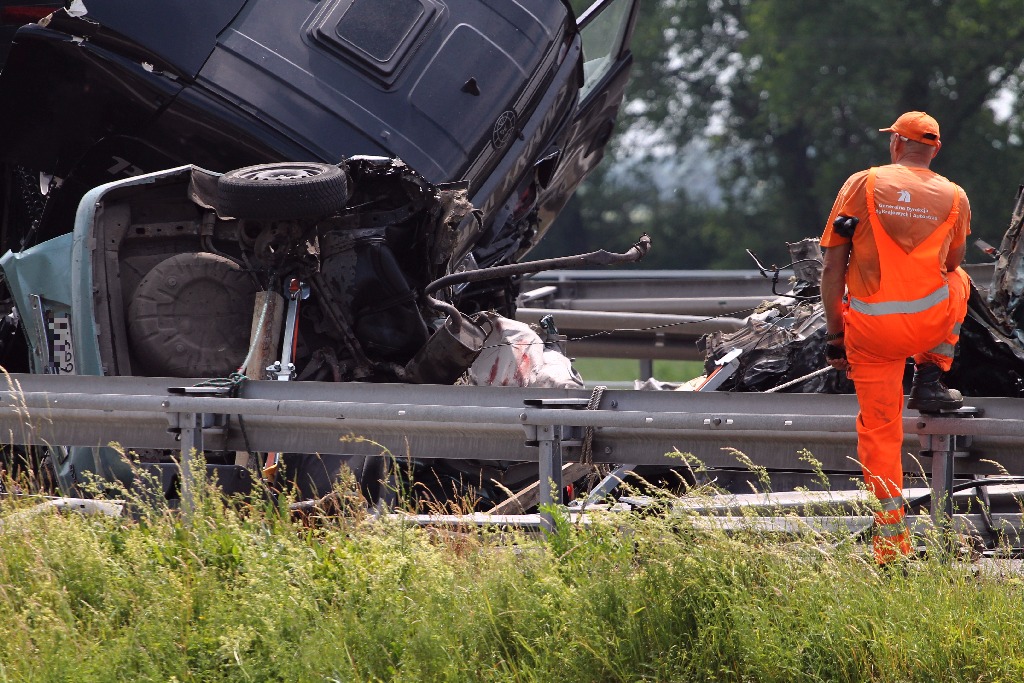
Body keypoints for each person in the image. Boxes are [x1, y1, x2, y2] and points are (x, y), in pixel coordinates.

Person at [819, 111, 972, 565]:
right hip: (927, 325)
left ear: (896, 144)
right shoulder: (955, 196)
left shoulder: (862, 184)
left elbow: (831, 267)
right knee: (960, 281)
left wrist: (835, 337)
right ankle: (931, 373)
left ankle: (891, 549)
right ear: (935, 149)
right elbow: (952, 263)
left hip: (869, 334)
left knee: (881, 434)